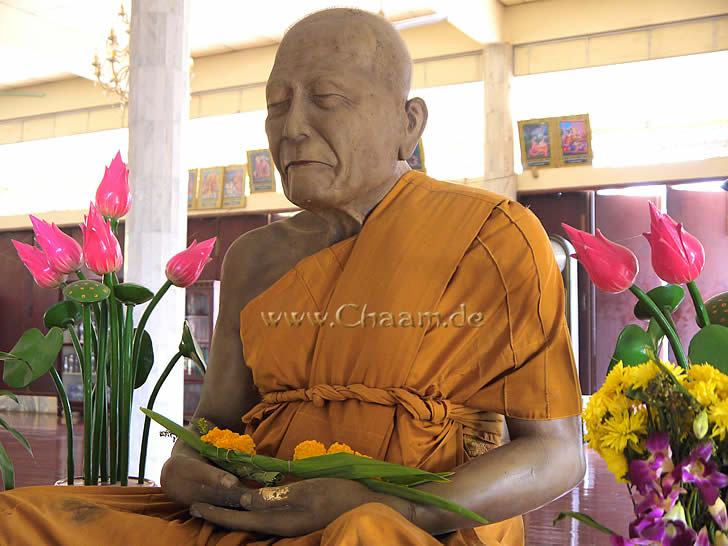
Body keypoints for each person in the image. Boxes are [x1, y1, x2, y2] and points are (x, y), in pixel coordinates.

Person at [0, 8, 584, 546]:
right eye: (277, 104)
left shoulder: (493, 235)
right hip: (260, 512)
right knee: (19, 519)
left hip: (416, 522)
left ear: (409, 122)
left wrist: (397, 507)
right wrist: (186, 466)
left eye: (326, 98)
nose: (292, 127)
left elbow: (556, 455)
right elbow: (217, 422)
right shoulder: (255, 258)